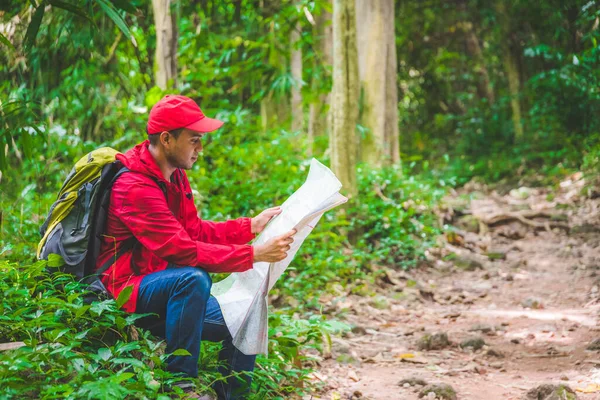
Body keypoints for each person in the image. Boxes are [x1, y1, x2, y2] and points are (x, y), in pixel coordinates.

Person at [95, 94, 295, 399]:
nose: (200, 148)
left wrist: (249, 227)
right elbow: (182, 251)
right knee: (192, 278)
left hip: (164, 283)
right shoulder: (134, 187)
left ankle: (231, 395)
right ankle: (179, 386)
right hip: (128, 289)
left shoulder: (174, 175)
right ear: (166, 139)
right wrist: (253, 254)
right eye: (194, 140)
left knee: (247, 316)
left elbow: (194, 230)